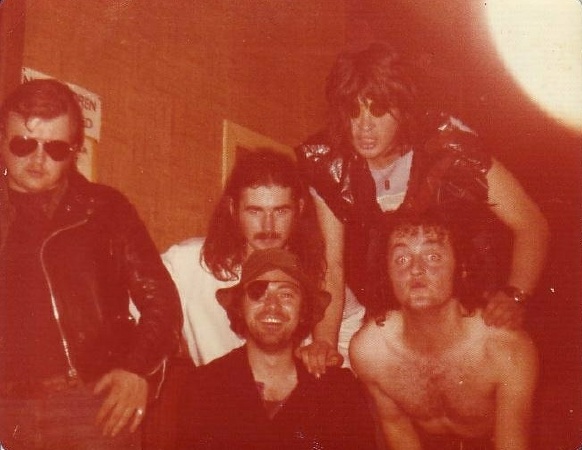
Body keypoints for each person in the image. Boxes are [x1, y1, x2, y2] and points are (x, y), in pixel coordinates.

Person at [295, 42, 549, 375]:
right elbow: (332, 265)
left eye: (378, 110)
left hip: (468, 300)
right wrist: (325, 343)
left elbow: (531, 224)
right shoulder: (329, 162)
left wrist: (515, 295)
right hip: (394, 305)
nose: (364, 126)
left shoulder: (450, 143)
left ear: (403, 109)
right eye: (354, 112)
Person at [0, 79, 182, 449]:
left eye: (55, 148)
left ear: (74, 151)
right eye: (23, 144)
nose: (38, 159)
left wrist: (137, 371)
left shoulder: (104, 210)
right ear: (2, 139)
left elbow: (162, 302)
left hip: (89, 407)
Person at [349, 212, 539, 450]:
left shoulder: (505, 347)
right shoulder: (371, 350)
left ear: (462, 268)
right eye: (401, 259)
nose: (416, 269)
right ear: (386, 275)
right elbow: (397, 430)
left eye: (433, 257)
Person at [178, 248, 377, 450]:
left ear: (303, 311)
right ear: (240, 307)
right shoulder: (205, 389)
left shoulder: (338, 391)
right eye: (258, 293)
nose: (272, 305)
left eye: (286, 295)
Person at [162, 148, 330, 367]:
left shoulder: (317, 268)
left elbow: (348, 341)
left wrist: (323, 347)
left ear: (299, 208)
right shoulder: (188, 262)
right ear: (233, 209)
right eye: (255, 211)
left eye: (280, 211)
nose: (268, 226)